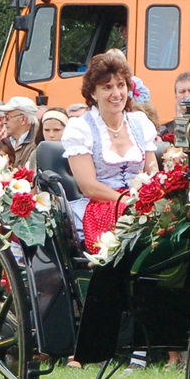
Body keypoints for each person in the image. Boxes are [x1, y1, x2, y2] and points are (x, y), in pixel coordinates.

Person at [66, 52, 163, 250]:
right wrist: (127, 202)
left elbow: (153, 174)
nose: (117, 94)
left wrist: (152, 199)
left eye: (121, 85)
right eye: (107, 87)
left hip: (139, 202)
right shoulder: (81, 128)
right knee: (127, 224)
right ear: (93, 92)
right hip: (103, 204)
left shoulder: (140, 123)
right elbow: (89, 187)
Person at [0, 96, 39, 168]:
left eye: (7, 117)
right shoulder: (5, 141)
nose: (4, 122)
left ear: (23, 119)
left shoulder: (37, 143)